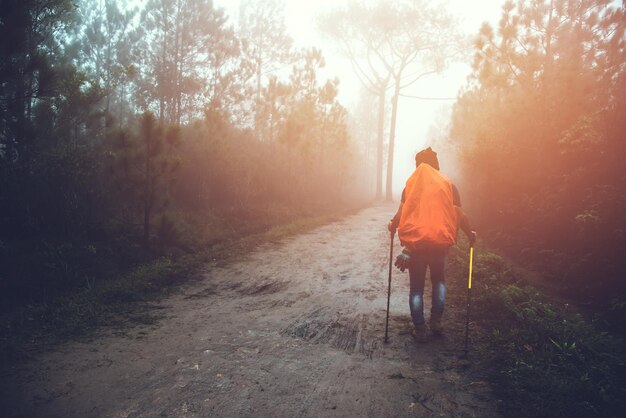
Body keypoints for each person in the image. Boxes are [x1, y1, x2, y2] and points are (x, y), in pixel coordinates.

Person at [388, 147, 475, 342]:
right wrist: (470, 233)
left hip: (417, 248)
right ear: (436, 165)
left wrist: (393, 226)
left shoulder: (410, 187)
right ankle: (436, 322)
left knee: (416, 289)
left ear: (418, 165)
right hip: (440, 246)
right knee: (439, 282)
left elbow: (401, 214)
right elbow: (459, 215)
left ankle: (420, 329)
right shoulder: (449, 186)